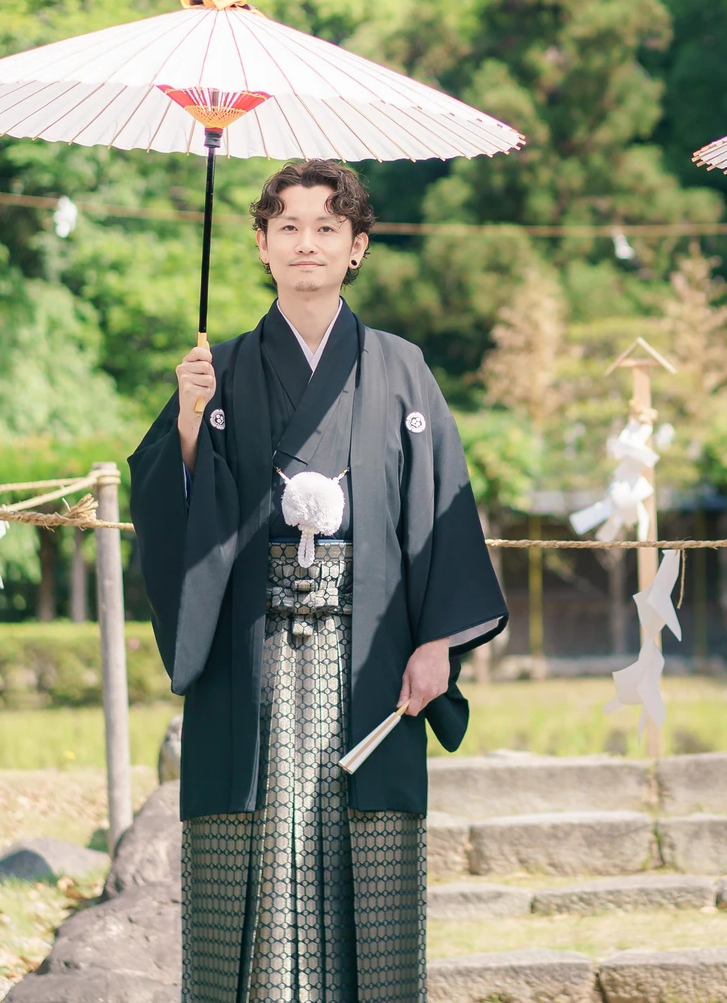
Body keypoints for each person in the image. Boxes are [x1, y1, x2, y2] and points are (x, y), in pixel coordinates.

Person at [129, 159, 507, 1003]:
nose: (308, 243)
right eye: (290, 227)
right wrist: (189, 424)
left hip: (367, 651)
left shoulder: (403, 369)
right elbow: (169, 509)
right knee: (254, 847)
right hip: (251, 649)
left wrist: (439, 639)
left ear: (358, 247)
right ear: (261, 244)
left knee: (363, 853)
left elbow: (443, 506)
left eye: (328, 227)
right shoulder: (216, 369)